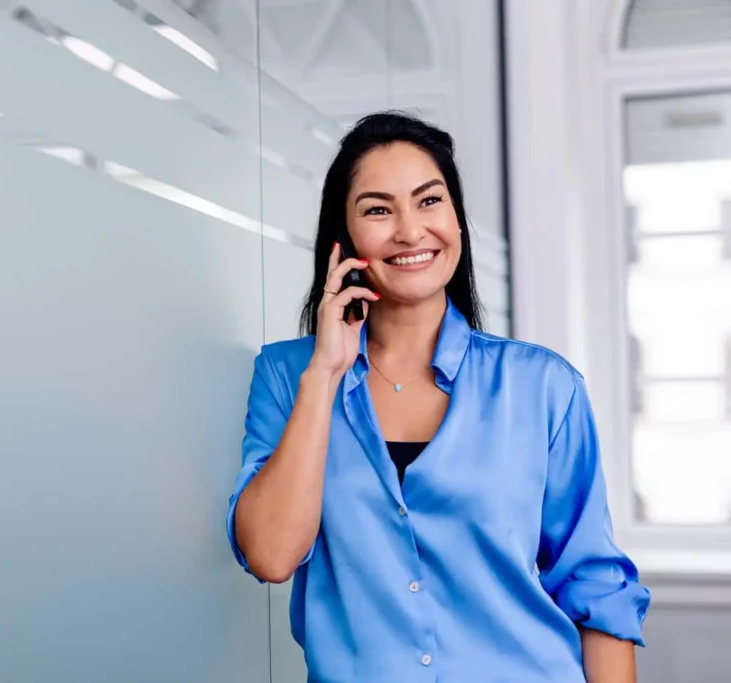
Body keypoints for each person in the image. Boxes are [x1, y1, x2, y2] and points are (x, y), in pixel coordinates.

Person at [226, 112, 649, 682]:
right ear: (344, 238)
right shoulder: (287, 376)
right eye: (378, 209)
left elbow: (593, 583)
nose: (409, 230)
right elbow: (271, 556)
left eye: (429, 201)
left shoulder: (543, 386)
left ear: (455, 217)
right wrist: (326, 372)